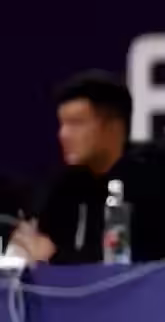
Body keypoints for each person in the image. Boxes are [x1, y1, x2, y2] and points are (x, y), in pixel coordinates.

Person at [9, 70, 146, 264]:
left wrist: (53, 257)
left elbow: (119, 264)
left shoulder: (145, 184)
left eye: (76, 123)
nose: (63, 134)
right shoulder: (64, 188)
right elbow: (34, 243)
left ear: (113, 128)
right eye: (62, 124)